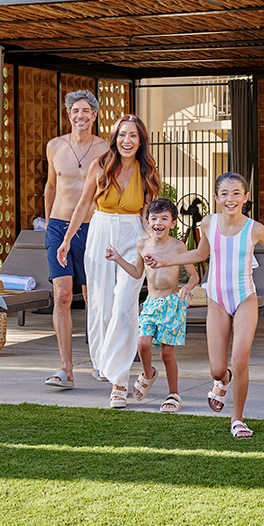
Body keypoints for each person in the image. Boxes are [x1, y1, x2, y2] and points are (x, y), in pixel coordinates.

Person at [145, 172, 264, 438]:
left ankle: (238, 418)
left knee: (240, 359)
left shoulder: (255, 229)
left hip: (245, 298)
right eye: (224, 194)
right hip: (217, 301)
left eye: (236, 193)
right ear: (216, 198)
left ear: (245, 198)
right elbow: (200, 254)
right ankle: (223, 379)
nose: (230, 199)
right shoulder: (208, 223)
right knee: (217, 369)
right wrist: (165, 261)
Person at [58, 114, 160, 408]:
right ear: (114, 138)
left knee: (124, 305)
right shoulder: (100, 166)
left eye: (133, 136)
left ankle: (119, 381)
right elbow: (83, 205)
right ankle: (111, 364)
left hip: (133, 235)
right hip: (101, 232)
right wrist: (67, 240)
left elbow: (148, 215)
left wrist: (156, 245)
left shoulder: (147, 171)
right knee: (101, 306)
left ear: (141, 141)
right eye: (122, 135)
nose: (127, 141)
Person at [104, 197, 199, 413]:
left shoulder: (178, 246)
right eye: (154, 218)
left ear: (173, 223)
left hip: (172, 304)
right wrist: (118, 258)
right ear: (147, 222)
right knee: (143, 343)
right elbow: (138, 273)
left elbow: (194, 276)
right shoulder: (142, 245)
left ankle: (173, 394)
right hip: (151, 304)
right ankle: (148, 374)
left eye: (164, 218)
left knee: (167, 354)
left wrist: (186, 288)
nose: (159, 222)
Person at [43, 90, 108, 390]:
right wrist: (48, 226)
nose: (80, 116)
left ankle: (101, 363)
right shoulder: (55, 146)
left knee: (95, 299)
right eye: (74, 111)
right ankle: (66, 369)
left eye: (86, 111)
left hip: (93, 229)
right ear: (68, 114)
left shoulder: (107, 149)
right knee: (63, 296)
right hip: (58, 227)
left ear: (94, 115)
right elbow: (51, 187)